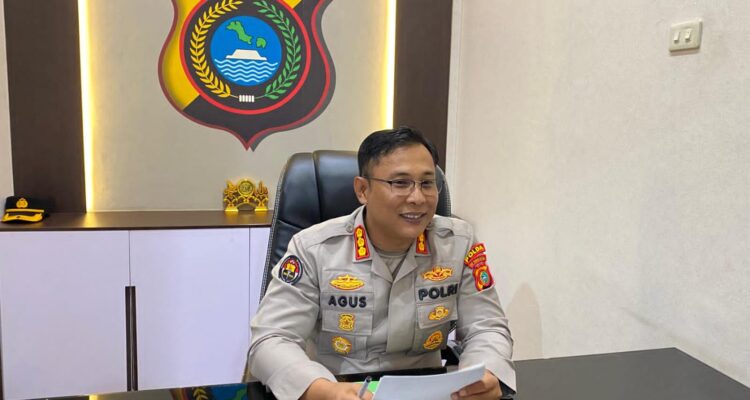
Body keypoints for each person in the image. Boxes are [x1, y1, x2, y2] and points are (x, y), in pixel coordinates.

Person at [247, 127, 515, 400]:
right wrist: (324, 390)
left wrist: (485, 374)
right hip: (339, 389)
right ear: (363, 190)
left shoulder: (458, 243)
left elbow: (487, 326)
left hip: (429, 391)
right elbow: (272, 339)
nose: (417, 198)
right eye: (400, 183)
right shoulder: (314, 248)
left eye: (427, 183)